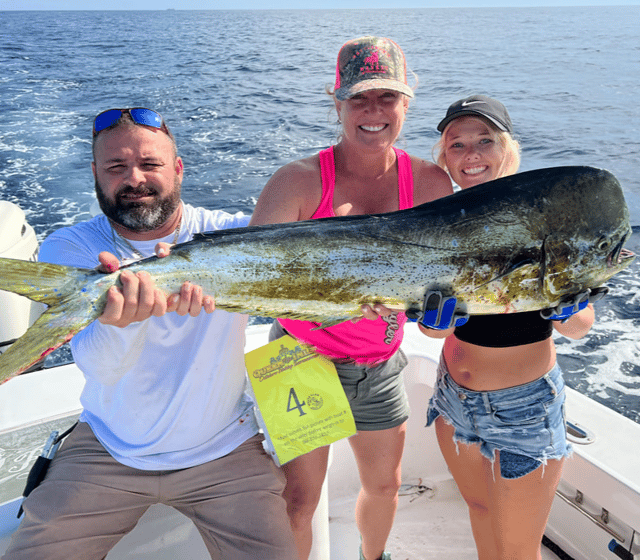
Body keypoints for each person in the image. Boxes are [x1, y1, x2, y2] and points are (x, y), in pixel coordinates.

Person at [3, 108, 296, 560]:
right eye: (116, 167)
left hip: (226, 452)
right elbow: (101, 366)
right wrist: (124, 325)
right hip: (107, 450)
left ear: (177, 169)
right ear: (96, 175)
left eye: (150, 164)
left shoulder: (234, 234)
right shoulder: (71, 247)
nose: (134, 179)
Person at [249, 36, 454, 560]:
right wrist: (327, 271)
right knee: (299, 498)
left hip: (379, 359)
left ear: (407, 104)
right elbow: (252, 283)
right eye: (359, 98)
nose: (373, 111)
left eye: (387, 97)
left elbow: (435, 313)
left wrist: (435, 320)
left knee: (386, 486)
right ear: (336, 101)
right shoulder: (296, 182)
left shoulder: (432, 185)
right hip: (297, 355)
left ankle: (372, 558)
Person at [422, 95, 597, 560]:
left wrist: (565, 307)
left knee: (518, 549)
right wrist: (432, 322)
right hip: (451, 399)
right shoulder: (438, 225)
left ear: (507, 149)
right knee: (479, 512)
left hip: (523, 412)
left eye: (484, 140)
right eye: (456, 144)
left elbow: (580, 326)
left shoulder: (547, 222)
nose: (471, 154)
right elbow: (436, 334)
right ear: (444, 157)